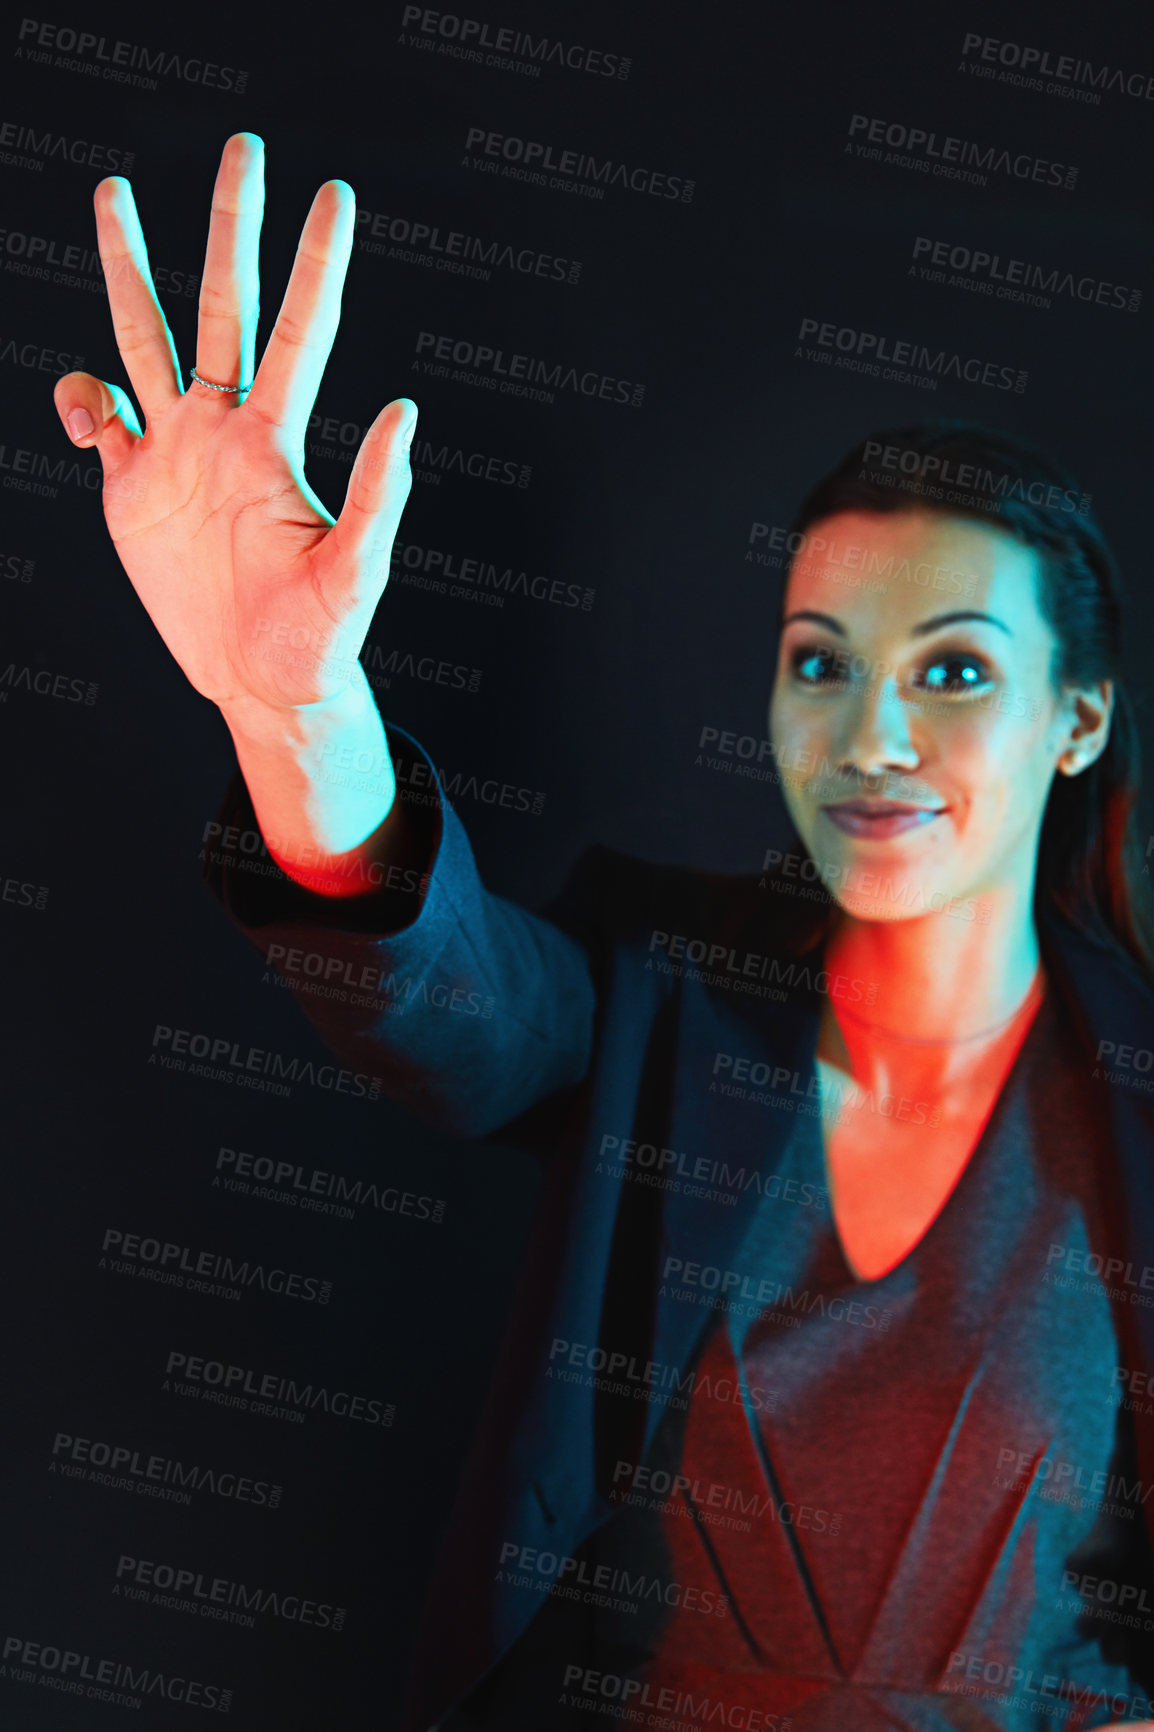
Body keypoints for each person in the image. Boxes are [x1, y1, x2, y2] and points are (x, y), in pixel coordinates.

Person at [54, 133, 1154, 1732]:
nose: (872, 737)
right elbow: (447, 1004)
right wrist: (295, 714)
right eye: (818, 660)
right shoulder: (662, 998)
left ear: (1078, 719)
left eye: (956, 669)